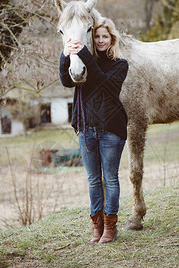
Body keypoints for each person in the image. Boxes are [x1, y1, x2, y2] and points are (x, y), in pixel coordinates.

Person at [59, 18, 129, 244]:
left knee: (110, 179)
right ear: (91, 38)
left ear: (112, 40)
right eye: (96, 36)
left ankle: (110, 226)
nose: (100, 40)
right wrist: (66, 54)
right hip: (86, 129)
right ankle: (97, 226)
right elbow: (66, 81)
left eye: (104, 37)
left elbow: (103, 83)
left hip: (111, 130)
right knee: (92, 180)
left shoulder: (120, 64)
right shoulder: (82, 64)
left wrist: (83, 52)